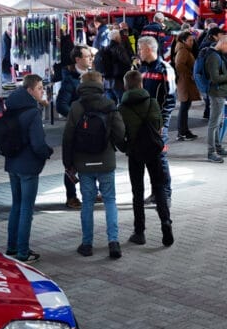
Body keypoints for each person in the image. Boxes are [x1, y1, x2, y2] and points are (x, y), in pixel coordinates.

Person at [63, 70, 126, 259]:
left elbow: (68, 137)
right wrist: (116, 145)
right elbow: (120, 131)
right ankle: (113, 242)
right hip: (105, 160)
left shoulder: (76, 106)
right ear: (100, 84)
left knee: (87, 203)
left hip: (83, 163)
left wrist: (68, 163)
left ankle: (87, 244)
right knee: (110, 200)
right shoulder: (109, 104)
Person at [119, 70, 174, 248]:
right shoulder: (152, 102)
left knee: (138, 192)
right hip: (153, 150)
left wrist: (125, 148)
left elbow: (120, 133)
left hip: (134, 152)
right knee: (159, 187)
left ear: (126, 86)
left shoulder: (122, 107)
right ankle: (165, 221)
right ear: (141, 84)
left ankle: (139, 232)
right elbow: (158, 126)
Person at [4, 74, 54, 263]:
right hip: (28, 165)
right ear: (30, 90)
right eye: (40, 88)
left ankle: (12, 246)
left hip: (12, 163)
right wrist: (46, 153)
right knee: (26, 208)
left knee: (16, 205)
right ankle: (23, 252)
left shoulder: (11, 107)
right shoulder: (32, 112)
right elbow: (38, 143)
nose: (42, 91)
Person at [137, 37, 176, 204]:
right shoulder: (142, 68)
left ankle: (165, 193)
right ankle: (155, 192)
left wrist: (162, 123)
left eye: (141, 49)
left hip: (158, 124)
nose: (138, 52)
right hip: (142, 122)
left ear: (150, 49)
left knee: (160, 157)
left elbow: (170, 99)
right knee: (150, 158)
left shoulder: (165, 69)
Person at [56, 45, 93, 209]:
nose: (90, 58)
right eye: (87, 56)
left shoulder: (94, 75)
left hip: (93, 127)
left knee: (92, 160)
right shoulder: (69, 79)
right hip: (76, 128)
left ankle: (93, 191)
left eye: (91, 56)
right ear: (77, 59)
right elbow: (61, 105)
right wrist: (76, 115)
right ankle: (71, 196)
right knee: (71, 164)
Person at [204, 35, 227, 163]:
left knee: (218, 123)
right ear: (223, 44)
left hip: (220, 93)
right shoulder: (213, 57)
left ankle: (218, 148)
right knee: (213, 124)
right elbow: (215, 78)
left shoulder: (217, 55)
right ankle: (211, 152)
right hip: (216, 93)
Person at [172, 31, 200, 141]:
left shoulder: (184, 49)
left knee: (185, 107)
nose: (192, 42)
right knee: (184, 107)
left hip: (185, 81)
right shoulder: (183, 50)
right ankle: (182, 132)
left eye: (192, 40)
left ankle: (184, 131)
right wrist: (190, 74)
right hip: (185, 82)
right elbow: (179, 65)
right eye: (190, 40)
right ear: (184, 41)